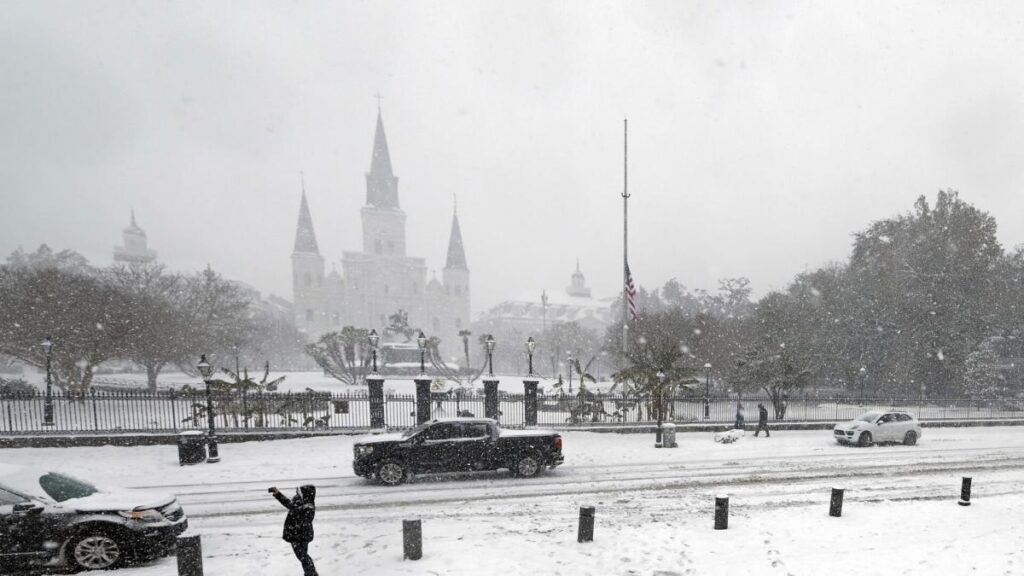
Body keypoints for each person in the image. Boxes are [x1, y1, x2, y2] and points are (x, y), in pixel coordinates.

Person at [270, 485, 319, 576]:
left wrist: (301, 508)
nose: (297, 493)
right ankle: (309, 573)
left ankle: (312, 574)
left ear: (305, 494)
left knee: (303, 556)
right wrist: (277, 494)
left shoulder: (310, 506)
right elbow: (289, 504)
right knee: (303, 556)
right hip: (294, 534)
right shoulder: (298, 500)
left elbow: (304, 516)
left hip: (302, 535)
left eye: (299, 492)